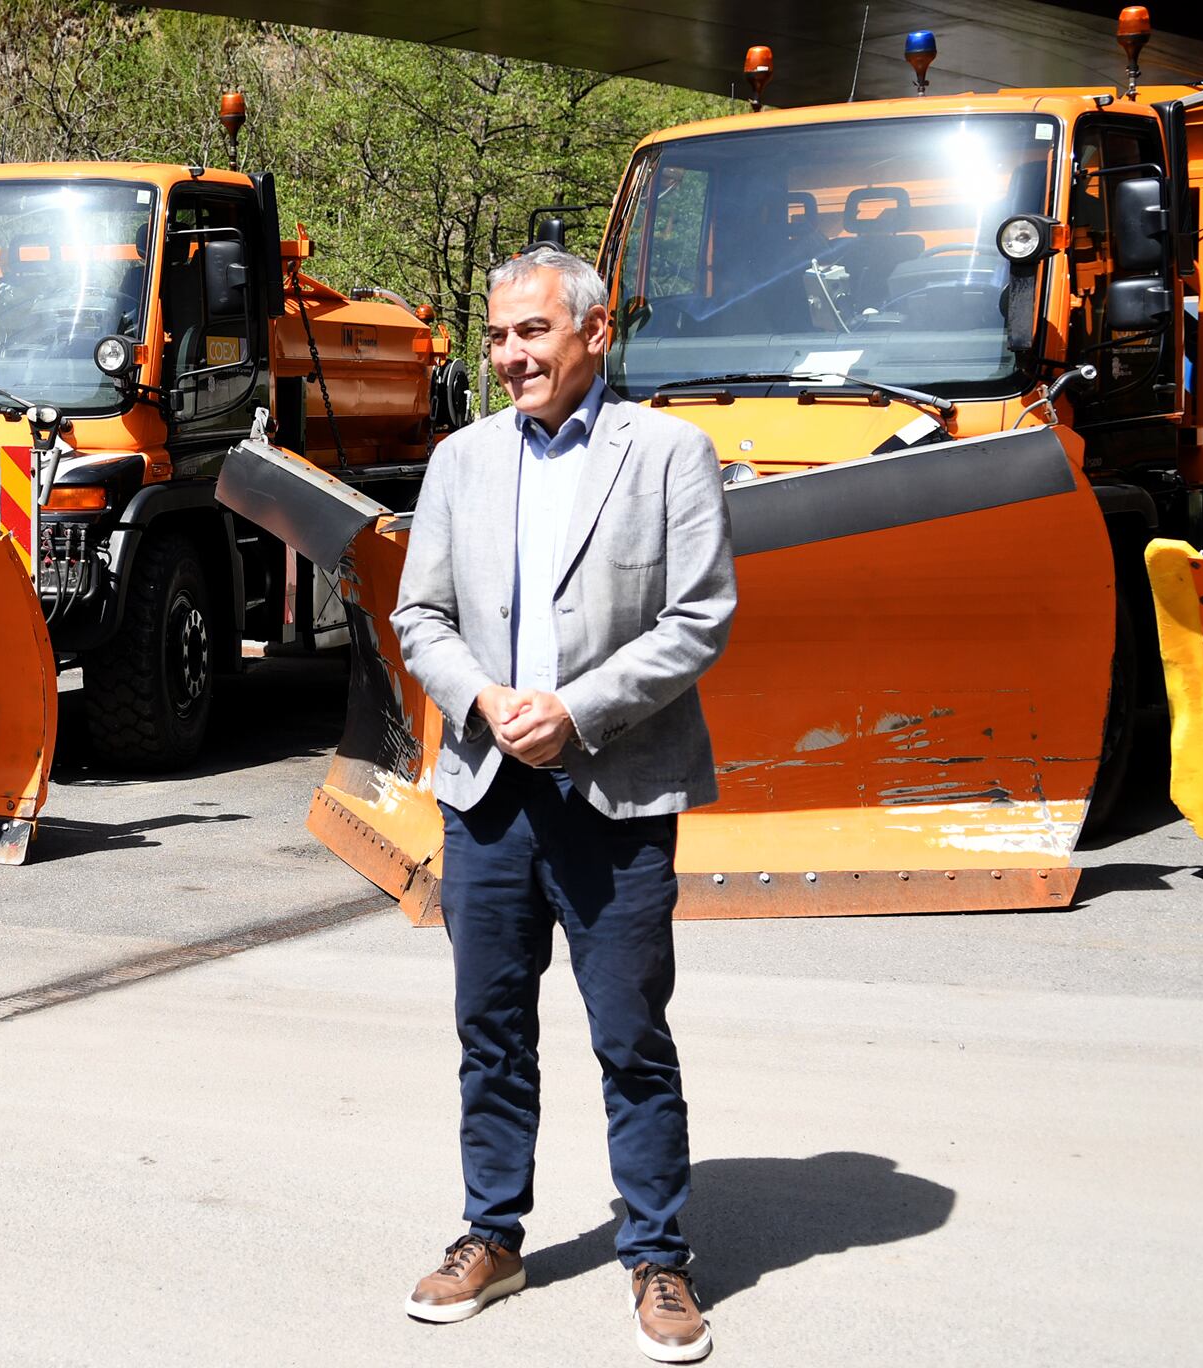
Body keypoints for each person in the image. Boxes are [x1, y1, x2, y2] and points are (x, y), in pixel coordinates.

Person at [392, 245, 735, 1363]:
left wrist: (576, 711)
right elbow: (420, 617)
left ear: (591, 332)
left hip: (614, 791)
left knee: (629, 1035)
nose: (507, 356)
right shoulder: (459, 460)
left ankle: (657, 1258)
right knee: (487, 1031)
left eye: (529, 333)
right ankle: (490, 1236)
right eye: (495, 337)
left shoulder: (670, 453)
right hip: (485, 797)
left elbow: (696, 619)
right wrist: (484, 698)